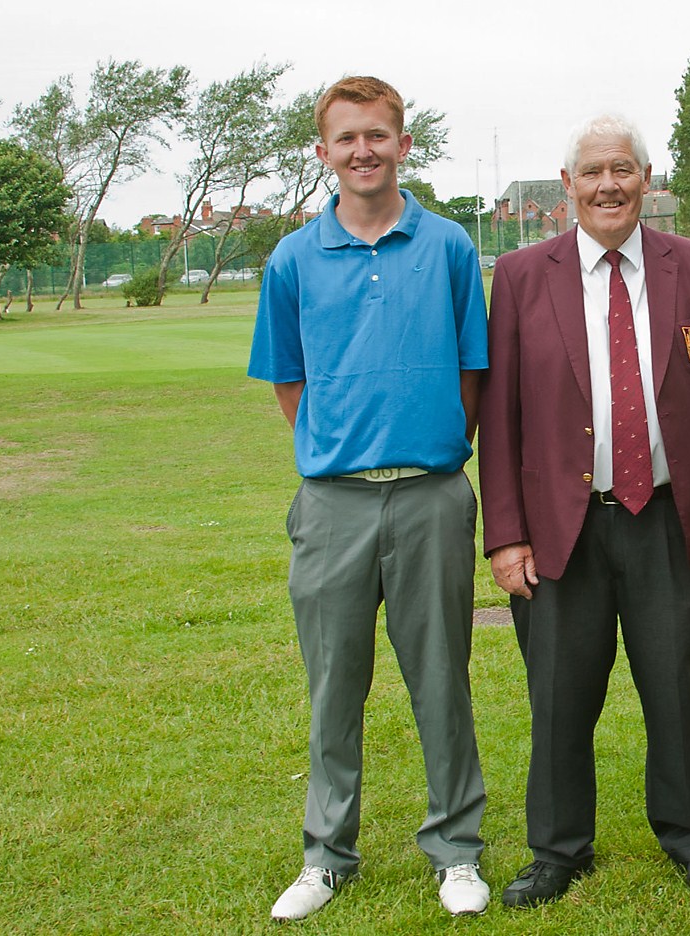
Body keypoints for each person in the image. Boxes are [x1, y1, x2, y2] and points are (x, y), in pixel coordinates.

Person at [478, 114, 690, 907]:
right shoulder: (523, 276)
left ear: (646, 179)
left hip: (670, 522)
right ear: (568, 185)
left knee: (677, 691)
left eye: (623, 170)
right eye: (593, 172)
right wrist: (506, 536)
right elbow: (500, 418)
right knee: (560, 698)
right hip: (560, 532)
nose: (609, 186)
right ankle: (557, 850)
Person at [247, 76, 491, 921]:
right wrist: (341, 452)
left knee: (441, 680)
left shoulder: (449, 246)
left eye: (377, 135)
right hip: (333, 505)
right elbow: (289, 382)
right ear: (323, 151)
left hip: (431, 497)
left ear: (403, 144)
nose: (363, 151)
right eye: (347, 138)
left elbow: (471, 373)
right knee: (333, 686)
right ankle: (326, 855)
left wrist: (429, 447)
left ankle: (456, 849)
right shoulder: (292, 258)